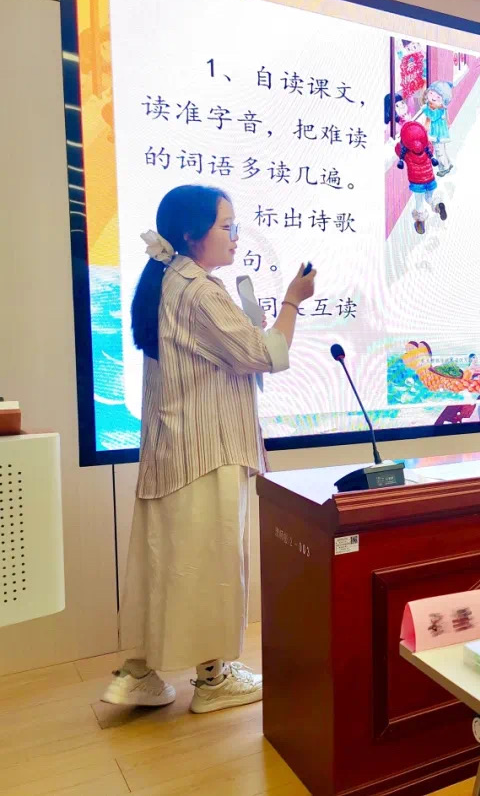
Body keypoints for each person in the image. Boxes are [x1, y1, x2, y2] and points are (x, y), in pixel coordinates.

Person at [101, 185, 317, 714]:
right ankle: (213, 679)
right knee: (211, 565)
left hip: (174, 450)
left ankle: (139, 671)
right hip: (208, 451)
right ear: (191, 233)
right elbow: (266, 354)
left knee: (166, 562)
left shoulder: (171, 281)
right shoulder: (199, 290)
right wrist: (293, 300)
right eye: (227, 226)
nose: (236, 236)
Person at [421, 81, 453, 177]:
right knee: (442, 150)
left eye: (438, 97)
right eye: (431, 93)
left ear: (443, 101)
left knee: (439, 151)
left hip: (438, 134)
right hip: (439, 133)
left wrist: (426, 109)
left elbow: (432, 117)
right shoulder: (436, 106)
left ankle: (444, 168)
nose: (433, 98)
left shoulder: (439, 109)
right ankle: (448, 164)